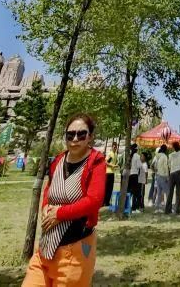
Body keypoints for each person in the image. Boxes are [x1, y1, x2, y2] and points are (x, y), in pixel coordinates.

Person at [21, 113, 105, 287]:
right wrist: (45, 207)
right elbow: (49, 189)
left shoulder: (96, 162)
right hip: (46, 248)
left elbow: (94, 200)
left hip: (74, 250)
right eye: (70, 134)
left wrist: (60, 213)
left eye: (81, 134)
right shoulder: (59, 160)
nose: (75, 139)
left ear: (90, 136)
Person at [166, 141, 180, 215]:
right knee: (178, 192)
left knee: (170, 192)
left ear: (174, 147)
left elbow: (169, 165)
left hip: (172, 173)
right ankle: (177, 210)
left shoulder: (170, 155)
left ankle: (167, 210)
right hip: (179, 173)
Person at [151, 144, 170, 214]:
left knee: (159, 193)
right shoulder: (164, 157)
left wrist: (155, 171)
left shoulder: (157, 156)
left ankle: (157, 208)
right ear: (165, 150)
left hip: (157, 175)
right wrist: (167, 176)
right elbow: (166, 167)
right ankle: (168, 208)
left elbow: (152, 165)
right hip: (163, 176)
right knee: (167, 192)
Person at [104, 141, 118, 209]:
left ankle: (107, 202)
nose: (115, 147)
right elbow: (106, 162)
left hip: (112, 173)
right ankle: (104, 202)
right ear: (112, 147)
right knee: (107, 188)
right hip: (108, 172)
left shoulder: (115, 154)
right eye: (114, 146)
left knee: (110, 188)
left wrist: (115, 166)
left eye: (116, 146)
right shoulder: (110, 153)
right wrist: (112, 165)